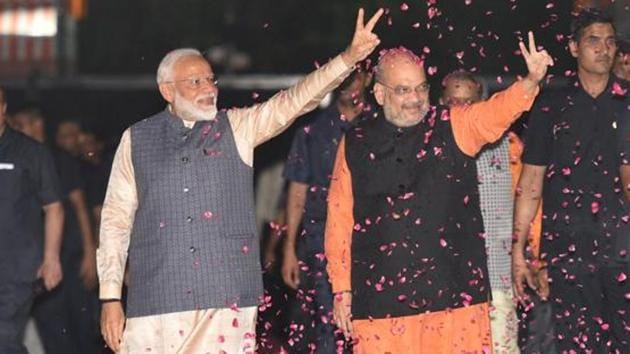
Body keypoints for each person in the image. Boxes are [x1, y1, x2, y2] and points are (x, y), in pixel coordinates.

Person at [97, 8, 384, 353]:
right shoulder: (137, 139)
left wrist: (348, 58)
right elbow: (115, 221)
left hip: (226, 298)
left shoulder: (237, 127)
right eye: (195, 82)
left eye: (210, 80)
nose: (208, 88)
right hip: (156, 300)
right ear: (166, 90)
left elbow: (294, 101)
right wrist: (110, 298)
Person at [325, 32, 552, 353]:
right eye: (403, 90)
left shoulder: (454, 125)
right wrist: (341, 289)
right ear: (378, 93)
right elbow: (339, 220)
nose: (415, 98)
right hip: (381, 309)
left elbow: (495, 113)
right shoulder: (354, 143)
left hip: (455, 303)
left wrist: (530, 82)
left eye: (421, 88)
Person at [512, 10, 629, 352]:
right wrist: (520, 253)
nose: (604, 49)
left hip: (623, 249)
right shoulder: (551, 105)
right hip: (569, 250)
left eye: (610, 42)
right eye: (594, 40)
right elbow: (531, 183)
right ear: (574, 48)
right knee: (577, 346)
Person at [281, 69, 371, 353]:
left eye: (354, 76)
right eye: (342, 77)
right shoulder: (312, 131)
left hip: (373, 240)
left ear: (368, 78)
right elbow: (297, 190)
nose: (347, 83)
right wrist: (289, 249)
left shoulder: (381, 125)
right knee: (326, 322)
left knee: (371, 323)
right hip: (322, 241)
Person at [440, 70, 520, 353]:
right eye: (453, 103)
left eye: (468, 102)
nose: (461, 110)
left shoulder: (508, 146)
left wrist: (530, 258)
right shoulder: (425, 149)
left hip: (497, 276)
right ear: (440, 104)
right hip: (445, 284)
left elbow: (527, 203)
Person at [12, 109, 99, 354]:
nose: (16, 129)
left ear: (37, 123)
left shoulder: (59, 159)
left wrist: (90, 252)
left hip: (71, 257)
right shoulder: (20, 158)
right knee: (52, 333)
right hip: (37, 264)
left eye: (21, 124)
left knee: (82, 330)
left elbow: (80, 206)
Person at [0, 87, 64, 354]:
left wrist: (51, 259)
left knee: (4, 337)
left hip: (16, 269)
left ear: (3, 109)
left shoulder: (30, 153)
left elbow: (54, 207)